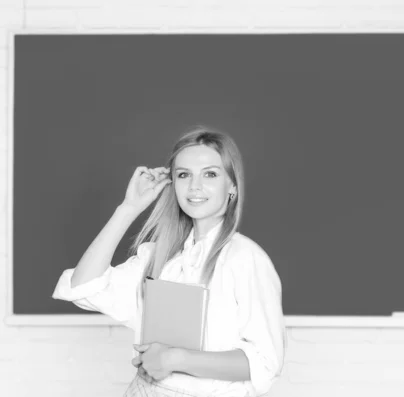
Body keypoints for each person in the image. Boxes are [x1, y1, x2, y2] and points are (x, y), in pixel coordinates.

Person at [52, 125, 287, 397]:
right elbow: (84, 287)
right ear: (173, 184)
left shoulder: (245, 259)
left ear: (232, 184)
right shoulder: (159, 255)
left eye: (210, 174)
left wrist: (176, 359)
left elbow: (265, 362)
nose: (195, 187)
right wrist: (128, 209)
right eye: (184, 175)